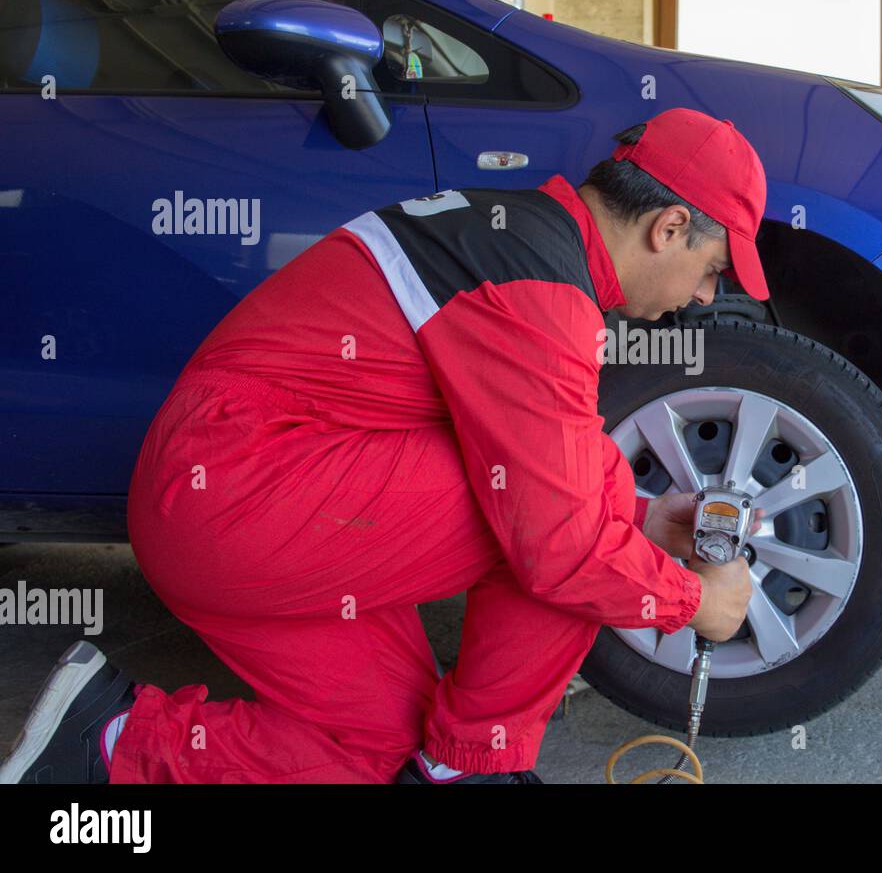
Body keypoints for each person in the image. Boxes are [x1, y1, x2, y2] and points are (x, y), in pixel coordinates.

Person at [1, 107, 768, 785]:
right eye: (711, 271)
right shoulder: (538, 290)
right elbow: (556, 539)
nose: (702, 296)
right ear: (668, 227)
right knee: (582, 493)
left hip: (232, 507)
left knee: (379, 743)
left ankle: (106, 745)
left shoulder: (514, 235)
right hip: (242, 495)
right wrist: (693, 602)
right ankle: (473, 766)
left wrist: (641, 523)